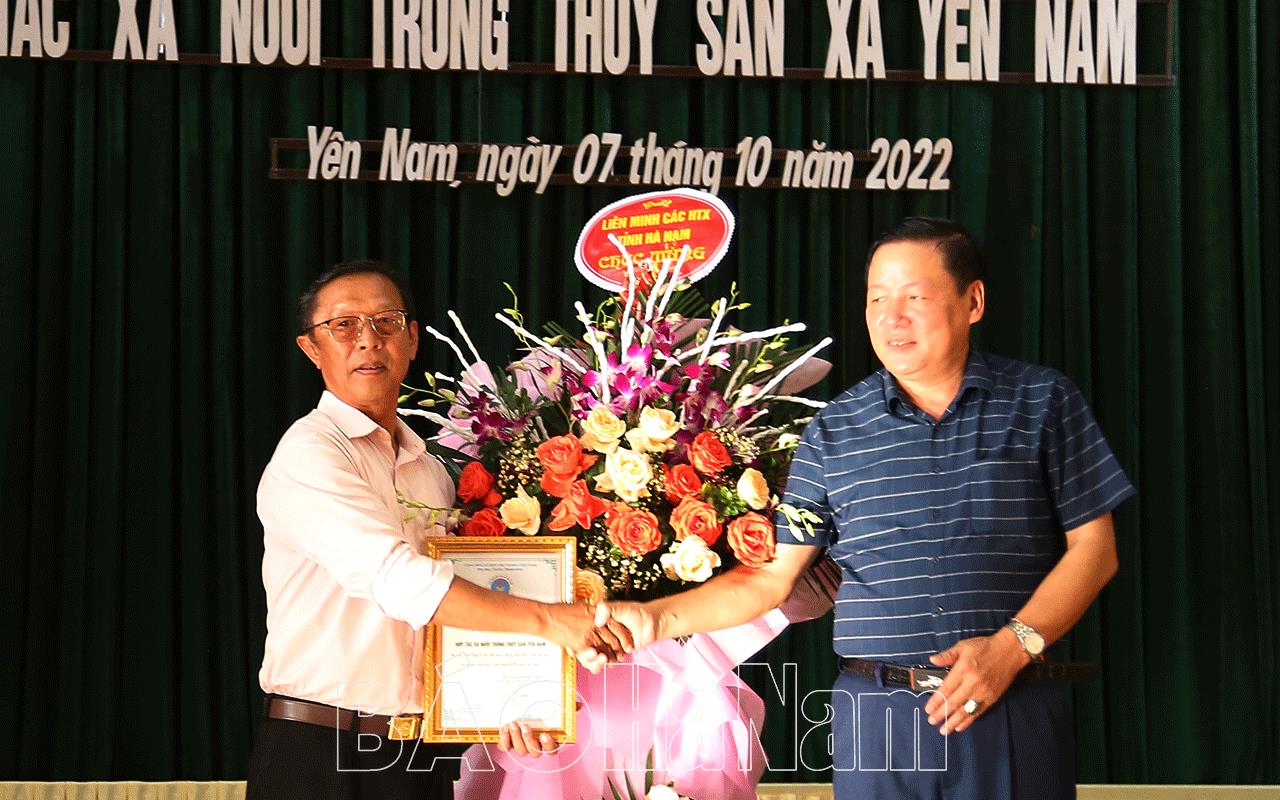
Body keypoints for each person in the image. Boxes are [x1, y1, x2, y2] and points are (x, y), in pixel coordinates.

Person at [596, 218, 1135, 800]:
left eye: (915, 297)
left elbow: (1096, 550)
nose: (891, 317)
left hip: (1011, 701)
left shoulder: (1043, 401)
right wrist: (656, 620)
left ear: (973, 301)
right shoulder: (833, 431)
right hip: (877, 716)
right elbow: (771, 579)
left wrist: (1011, 647)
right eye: (877, 299)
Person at [245, 260, 616, 800]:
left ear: (413, 340)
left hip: (421, 759)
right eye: (343, 325)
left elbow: (452, 619)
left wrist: (513, 700)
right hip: (322, 754)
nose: (368, 340)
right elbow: (399, 581)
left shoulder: (430, 470)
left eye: (387, 322)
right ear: (311, 348)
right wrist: (549, 622)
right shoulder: (310, 453)